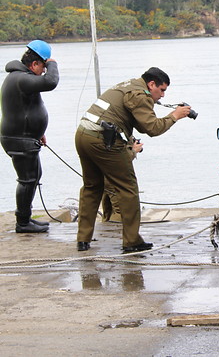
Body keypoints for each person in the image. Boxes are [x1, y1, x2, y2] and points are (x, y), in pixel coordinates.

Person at [75, 67, 192, 252]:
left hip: (83, 135)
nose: (162, 95)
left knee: (92, 187)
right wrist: (174, 116)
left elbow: (139, 123)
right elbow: (152, 129)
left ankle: (83, 239)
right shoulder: (140, 94)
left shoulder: (128, 85)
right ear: (151, 84)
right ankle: (132, 241)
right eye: (161, 90)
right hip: (102, 141)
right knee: (127, 189)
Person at [1, 40, 59, 233]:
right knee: (27, 179)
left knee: (33, 177)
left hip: (24, 137)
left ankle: (25, 219)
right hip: (19, 139)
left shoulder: (21, 78)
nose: (44, 71)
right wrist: (52, 63)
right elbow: (50, 82)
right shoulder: (21, 78)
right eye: (42, 67)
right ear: (34, 64)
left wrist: (38, 132)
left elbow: (26, 108)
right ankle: (23, 222)